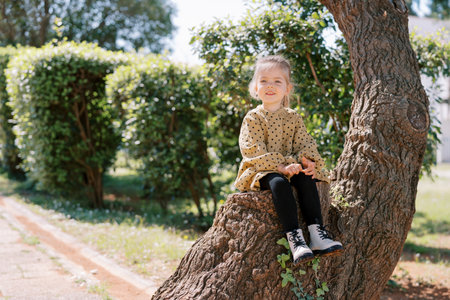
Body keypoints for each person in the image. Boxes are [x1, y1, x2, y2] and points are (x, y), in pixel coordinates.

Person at [234, 55, 343, 264]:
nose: (270, 85)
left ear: (287, 89)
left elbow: (304, 142)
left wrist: (308, 161)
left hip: (292, 167)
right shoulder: (253, 118)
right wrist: (280, 166)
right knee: (279, 183)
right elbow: (252, 149)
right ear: (255, 87)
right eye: (264, 80)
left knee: (305, 179)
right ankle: (296, 239)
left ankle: (317, 234)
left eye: (277, 81)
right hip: (263, 169)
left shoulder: (293, 117)